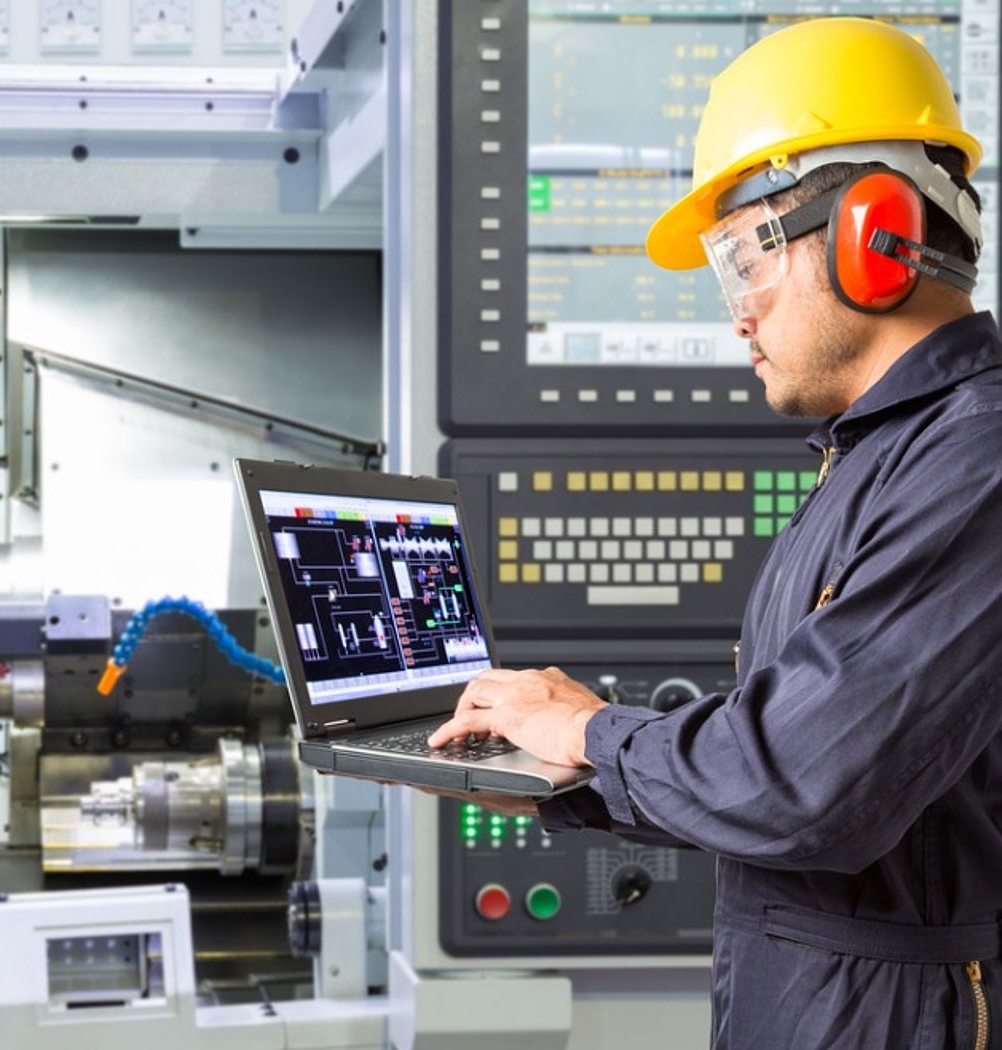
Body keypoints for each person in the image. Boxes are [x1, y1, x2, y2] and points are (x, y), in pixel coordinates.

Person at [426, 17, 1002, 1049]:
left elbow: (802, 783)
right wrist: (569, 775)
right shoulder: (874, 457)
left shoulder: (976, 461)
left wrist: (591, 733)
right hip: (821, 1002)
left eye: (743, 261)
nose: (736, 315)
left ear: (873, 234)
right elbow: (784, 748)